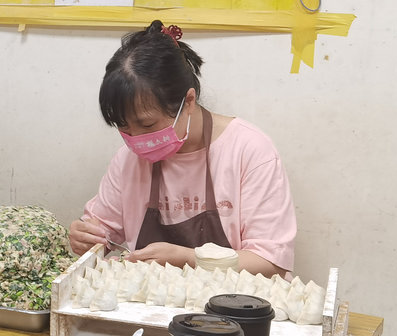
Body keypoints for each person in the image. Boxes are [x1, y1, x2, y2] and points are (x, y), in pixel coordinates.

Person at [69, 20, 295, 276]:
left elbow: (270, 262)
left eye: (147, 124)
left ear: (188, 101)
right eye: (124, 128)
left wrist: (187, 258)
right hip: (148, 308)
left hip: (233, 310)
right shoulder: (127, 161)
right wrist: (86, 237)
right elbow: (101, 232)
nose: (136, 139)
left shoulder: (249, 151)